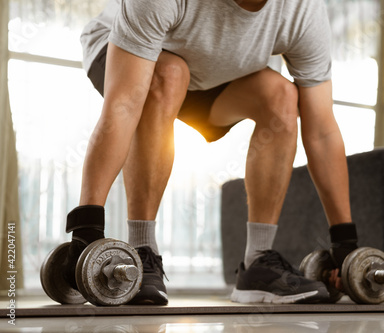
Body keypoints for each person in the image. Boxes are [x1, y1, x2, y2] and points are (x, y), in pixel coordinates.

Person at [62, 0, 359, 305]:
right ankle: (142, 248)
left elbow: (322, 130)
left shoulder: (302, 10)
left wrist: (344, 242)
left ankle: (258, 263)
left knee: (281, 96)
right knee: (170, 74)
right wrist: (86, 227)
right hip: (123, 50)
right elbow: (122, 106)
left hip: (213, 75)